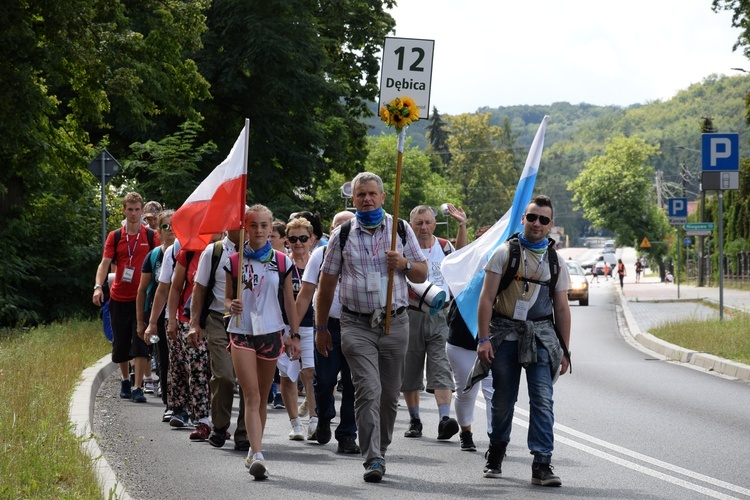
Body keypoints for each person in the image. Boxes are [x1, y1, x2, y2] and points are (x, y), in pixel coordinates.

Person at [316, 172, 428, 483]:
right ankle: (373, 458)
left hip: (395, 321)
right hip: (356, 324)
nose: (366, 199)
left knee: (389, 395)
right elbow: (326, 286)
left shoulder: (400, 229)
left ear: (381, 196)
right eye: (360, 195)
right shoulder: (342, 235)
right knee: (368, 389)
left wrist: (404, 264)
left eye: (371, 194)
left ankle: (381, 446)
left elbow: (421, 273)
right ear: (352, 200)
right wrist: (321, 326)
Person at [477, 195, 571, 487]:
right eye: (532, 217)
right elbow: (486, 299)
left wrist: (565, 351)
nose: (537, 224)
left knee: (543, 399)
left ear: (551, 225)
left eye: (544, 219)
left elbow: (562, 308)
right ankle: (497, 451)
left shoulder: (555, 261)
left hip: (541, 337)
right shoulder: (504, 254)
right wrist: (483, 339)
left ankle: (542, 463)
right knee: (504, 400)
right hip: (504, 335)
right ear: (524, 219)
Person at [225, 204, 301, 480]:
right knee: (252, 394)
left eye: (264, 226)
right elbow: (224, 298)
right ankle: (257, 454)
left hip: (271, 332)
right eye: (253, 225)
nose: (258, 230)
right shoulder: (233, 261)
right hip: (241, 331)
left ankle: (254, 448)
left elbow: (289, 303)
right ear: (245, 228)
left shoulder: (282, 262)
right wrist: (229, 304)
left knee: (263, 396)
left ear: (272, 229)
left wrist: (294, 335)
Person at [401, 204, 468, 441]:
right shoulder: (404, 250)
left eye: (428, 222)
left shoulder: (443, 246)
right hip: (410, 314)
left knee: (441, 366)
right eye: (419, 223)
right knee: (411, 368)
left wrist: (462, 224)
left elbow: (461, 258)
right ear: (411, 226)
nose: (424, 228)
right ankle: (415, 420)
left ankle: (443, 420)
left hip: (441, 316)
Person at [295, 210, 360, 454]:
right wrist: (293, 329)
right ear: (330, 230)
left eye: (346, 226)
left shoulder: (363, 253)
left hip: (358, 328)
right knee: (324, 380)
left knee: (354, 384)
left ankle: (347, 435)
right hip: (327, 327)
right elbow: (305, 294)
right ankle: (323, 418)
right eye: (336, 226)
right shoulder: (320, 255)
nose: (341, 231)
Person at [93, 192, 159, 402]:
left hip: (142, 299)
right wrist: (98, 287)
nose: (133, 214)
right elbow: (105, 263)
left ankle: (138, 387)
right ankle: (125, 380)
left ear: (142, 211)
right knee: (120, 343)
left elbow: (160, 261)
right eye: (129, 209)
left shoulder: (150, 236)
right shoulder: (116, 236)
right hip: (119, 297)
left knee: (141, 343)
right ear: (124, 210)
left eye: (137, 209)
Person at [188, 228, 249, 451]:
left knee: (247, 380)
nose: (243, 228)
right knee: (224, 375)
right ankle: (220, 425)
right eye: (238, 223)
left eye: (247, 222)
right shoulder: (213, 252)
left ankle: (245, 432)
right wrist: (194, 323)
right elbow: (200, 288)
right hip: (218, 319)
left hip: (251, 323)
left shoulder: (258, 251)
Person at [445, 224, 494, 453]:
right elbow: (458, 257)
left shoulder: (505, 267)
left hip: (494, 339)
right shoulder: (467, 269)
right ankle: (466, 433)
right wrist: (462, 225)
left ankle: (497, 440)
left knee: (495, 392)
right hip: (462, 339)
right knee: (466, 391)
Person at [276, 216, 318, 441]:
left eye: (303, 238)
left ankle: (314, 420)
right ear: (287, 240)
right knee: (287, 376)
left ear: (311, 239)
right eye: (293, 238)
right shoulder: (282, 263)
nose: (298, 242)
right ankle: (295, 424)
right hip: (284, 326)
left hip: (310, 326)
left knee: (310, 373)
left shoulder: (318, 263)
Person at [136, 210, 175, 407]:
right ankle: (170, 404)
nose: (171, 230)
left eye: (174, 225)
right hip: (158, 313)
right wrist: (142, 322)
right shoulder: (153, 256)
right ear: (159, 231)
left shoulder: (187, 253)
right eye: (166, 226)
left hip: (180, 313)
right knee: (163, 358)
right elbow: (142, 290)